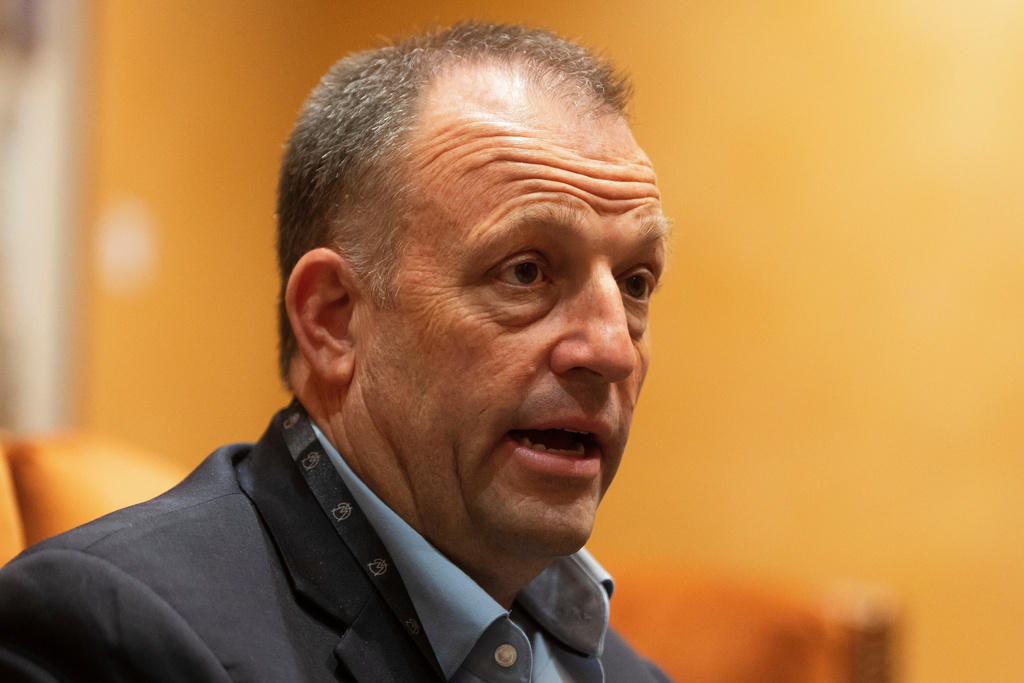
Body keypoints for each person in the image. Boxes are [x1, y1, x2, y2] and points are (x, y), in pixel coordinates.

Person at [0, 22, 671, 682]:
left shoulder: (624, 668)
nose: (613, 348)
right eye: (526, 271)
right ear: (333, 321)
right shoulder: (104, 633)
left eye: (636, 283)